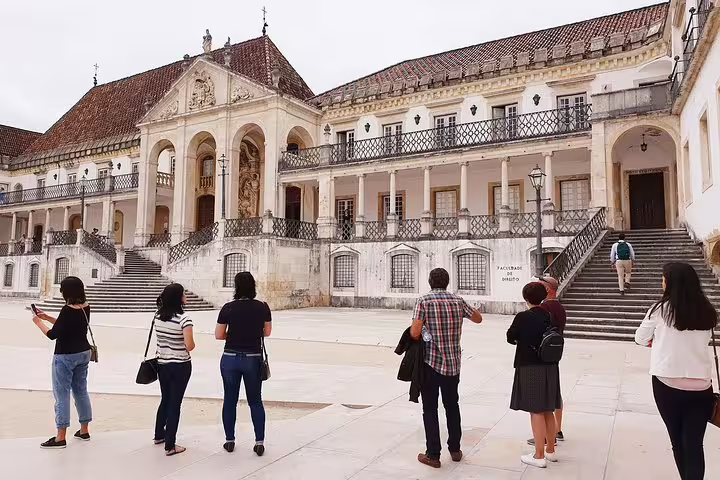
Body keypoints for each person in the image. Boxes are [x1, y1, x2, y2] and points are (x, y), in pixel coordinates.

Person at [634, 262, 717, 480]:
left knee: (677, 440)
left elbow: (640, 338)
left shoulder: (660, 310)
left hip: (667, 383)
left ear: (670, 282)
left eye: (663, 278)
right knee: (694, 443)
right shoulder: (707, 309)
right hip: (701, 385)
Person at [410, 268, 483, 468]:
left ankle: (433, 455)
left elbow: (415, 332)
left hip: (431, 363)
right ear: (447, 282)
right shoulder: (457, 301)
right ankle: (455, 449)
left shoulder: (424, 301)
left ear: (430, 281)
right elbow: (478, 318)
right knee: (452, 406)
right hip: (453, 363)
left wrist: (424, 327)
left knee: (430, 409)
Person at [31, 276, 93, 449]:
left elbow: (53, 334)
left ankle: (60, 437)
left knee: (62, 394)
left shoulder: (67, 309)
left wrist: (38, 322)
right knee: (81, 391)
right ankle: (84, 430)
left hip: (66, 355)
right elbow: (68, 326)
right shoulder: (85, 307)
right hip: (83, 352)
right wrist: (48, 317)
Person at [215, 271, 271, 456]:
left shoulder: (228, 308)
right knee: (255, 401)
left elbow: (219, 334)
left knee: (229, 400)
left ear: (236, 287)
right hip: (253, 358)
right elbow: (267, 332)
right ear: (253, 286)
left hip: (230, 357)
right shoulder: (262, 307)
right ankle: (259, 442)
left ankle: (229, 441)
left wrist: (234, 334)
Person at [507, 282, 562, 469]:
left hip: (530, 366)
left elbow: (510, 337)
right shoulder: (549, 315)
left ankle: (539, 455)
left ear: (525, 298)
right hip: (550, 366)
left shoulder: (523, 317)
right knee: (547, 409)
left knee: (536, 411)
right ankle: (551, 450)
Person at [153, 283, 195, 456]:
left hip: (162, 364)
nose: (186, 296)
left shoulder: (157, 316)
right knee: (175, 403)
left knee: (165, 399)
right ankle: (170, 445)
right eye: (184, 294)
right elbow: (189, 345)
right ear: (179, 298)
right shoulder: (184, 319)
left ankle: (158, 435)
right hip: (180, 365)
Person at [527, 276, 566, 446]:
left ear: (548, 289)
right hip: (554, 354)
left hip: (542, 356)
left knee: (542, 399)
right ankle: (557, 430)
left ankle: (545, 435)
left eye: (541, 285)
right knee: (554, 392)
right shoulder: (559, 307)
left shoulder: (544, 308)